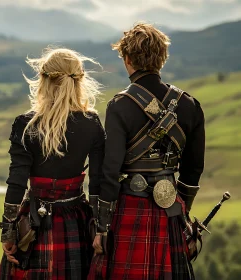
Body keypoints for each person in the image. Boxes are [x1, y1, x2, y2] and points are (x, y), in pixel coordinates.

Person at [88, 23, 205, 280]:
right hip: (172, 211)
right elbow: (193, 169)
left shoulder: (120, 105)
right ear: (163, 58)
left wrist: (102, 227)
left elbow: (110, 170)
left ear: (127, 59)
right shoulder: (189, 105)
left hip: (129, 207)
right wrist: (181, 211)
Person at [0, 48, 105, 280]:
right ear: (79, 81)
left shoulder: (25, 124)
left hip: (33, 224)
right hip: (76, 223)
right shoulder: (92, 123)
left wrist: (8, 231)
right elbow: (97, 182)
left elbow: (16, 182)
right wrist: (100, 228)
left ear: (43, 80)